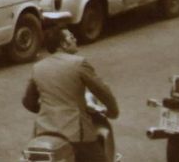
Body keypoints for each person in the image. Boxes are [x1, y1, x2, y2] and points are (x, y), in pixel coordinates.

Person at [22, 28, 119, 162]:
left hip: (44, 130)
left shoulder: (38, 67)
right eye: (72, 38)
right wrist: (113, 112)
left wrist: (49, 108)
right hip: (74, 133)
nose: (75, 40)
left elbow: (28, 102)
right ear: (63, 44)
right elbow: (102, 91)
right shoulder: (78, 63)